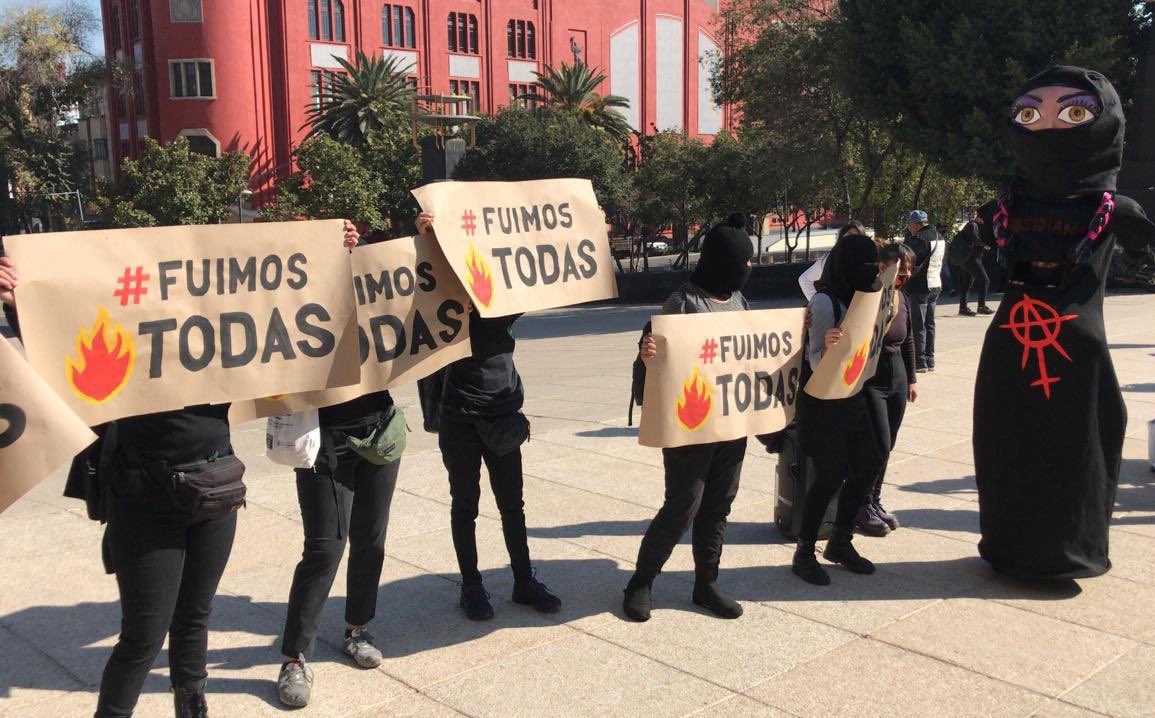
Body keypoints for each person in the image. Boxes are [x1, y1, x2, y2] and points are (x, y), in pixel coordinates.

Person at [0, 224, 359, 718]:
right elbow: (59, 341)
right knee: (143, 635)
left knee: (194, 617)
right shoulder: (123, 334)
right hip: (142, 497)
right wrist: (18, 304)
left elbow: (284, 300)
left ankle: (192, 706)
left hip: (215, 489)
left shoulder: (225, 332)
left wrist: (331, 250)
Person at [973, 66, 1155, 579]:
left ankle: (1070, 549)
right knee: (1007, 446)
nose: (1049, 127)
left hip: (1076, 354)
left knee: (1078, 451)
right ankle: (1009, 545)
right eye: (1030, 115)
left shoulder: (1115, 209)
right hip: (1012, 347)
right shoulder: (1002, 208)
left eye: (1074, 113)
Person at [415, 212, 561, 621]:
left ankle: (523, 581)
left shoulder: (504, 301)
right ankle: (472, 585)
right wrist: (426, 235)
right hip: (459, 418)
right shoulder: (444, 305)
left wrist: (585, 226)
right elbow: (417, 281)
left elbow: (544, 269)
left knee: (513, 505)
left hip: (502, 416)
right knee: (466, 505)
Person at [275, 238, 401, 706]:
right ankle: (294, 659)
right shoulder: (297, 307)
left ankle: (357, 629)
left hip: (379, 436)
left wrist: (422, 237)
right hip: (325, 444)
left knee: (371, 541)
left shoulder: (375, 296)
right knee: (324, 549)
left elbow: (413, 289)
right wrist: (321, 246)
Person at [622, 213, 754, 622]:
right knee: (682, 506)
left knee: (719, 505)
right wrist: (649, 355)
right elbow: (660, 363)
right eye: (744, 261)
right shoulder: (683, 302)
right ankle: (641, 581)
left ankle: (706, 583)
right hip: (690, 425)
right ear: (724, 261)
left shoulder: (739, 300)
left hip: (731, 423)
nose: (748, 267)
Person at [791, 231, 885, 585]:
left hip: (852, 395)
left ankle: (841, 539)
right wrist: (829, 348)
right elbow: (813, 361)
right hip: (823, 404)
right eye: (865, 265)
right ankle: (804, 551)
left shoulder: (862, 297)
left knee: (869, 462)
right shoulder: (824, 302)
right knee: (829, 476)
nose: (870, 271)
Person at [854, 243, 918, 537]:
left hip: (898, 376)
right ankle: (861, 504)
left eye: (909, 269)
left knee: (888, 444)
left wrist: (912, 379)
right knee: (877, 445)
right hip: (872, 379)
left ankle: (875, 500)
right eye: (901, 268)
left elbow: (909, 339)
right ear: (883, 267)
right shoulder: (867, 297)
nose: (906, 273)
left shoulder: (902, 297)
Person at [903, 210, 945, 372]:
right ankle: (930, 359)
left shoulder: (919, 239)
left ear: (915, 224)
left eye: (909, 225)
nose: (909, 229)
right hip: (935, 284)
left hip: (919, 287)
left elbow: (906, 257)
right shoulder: (939, 237)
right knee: (930, 324)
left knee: (918, 325)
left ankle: (920, 361)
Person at [798, 221, 868, 301]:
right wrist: (817, 302)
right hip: (840, 308)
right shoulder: (830, 259)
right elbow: (804, 279)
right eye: (849, 235)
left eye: (857, 237)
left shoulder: (870, 259)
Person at [949, 211, 993, 316]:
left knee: (967, 283)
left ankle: (963, 308)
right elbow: (975, 238)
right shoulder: (972, 225)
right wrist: (985, 245)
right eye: (975, 214)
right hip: (971, 259)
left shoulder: (971, 225)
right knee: (984, 280)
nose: (978, 217)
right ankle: (981, 306)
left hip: (966, 259)